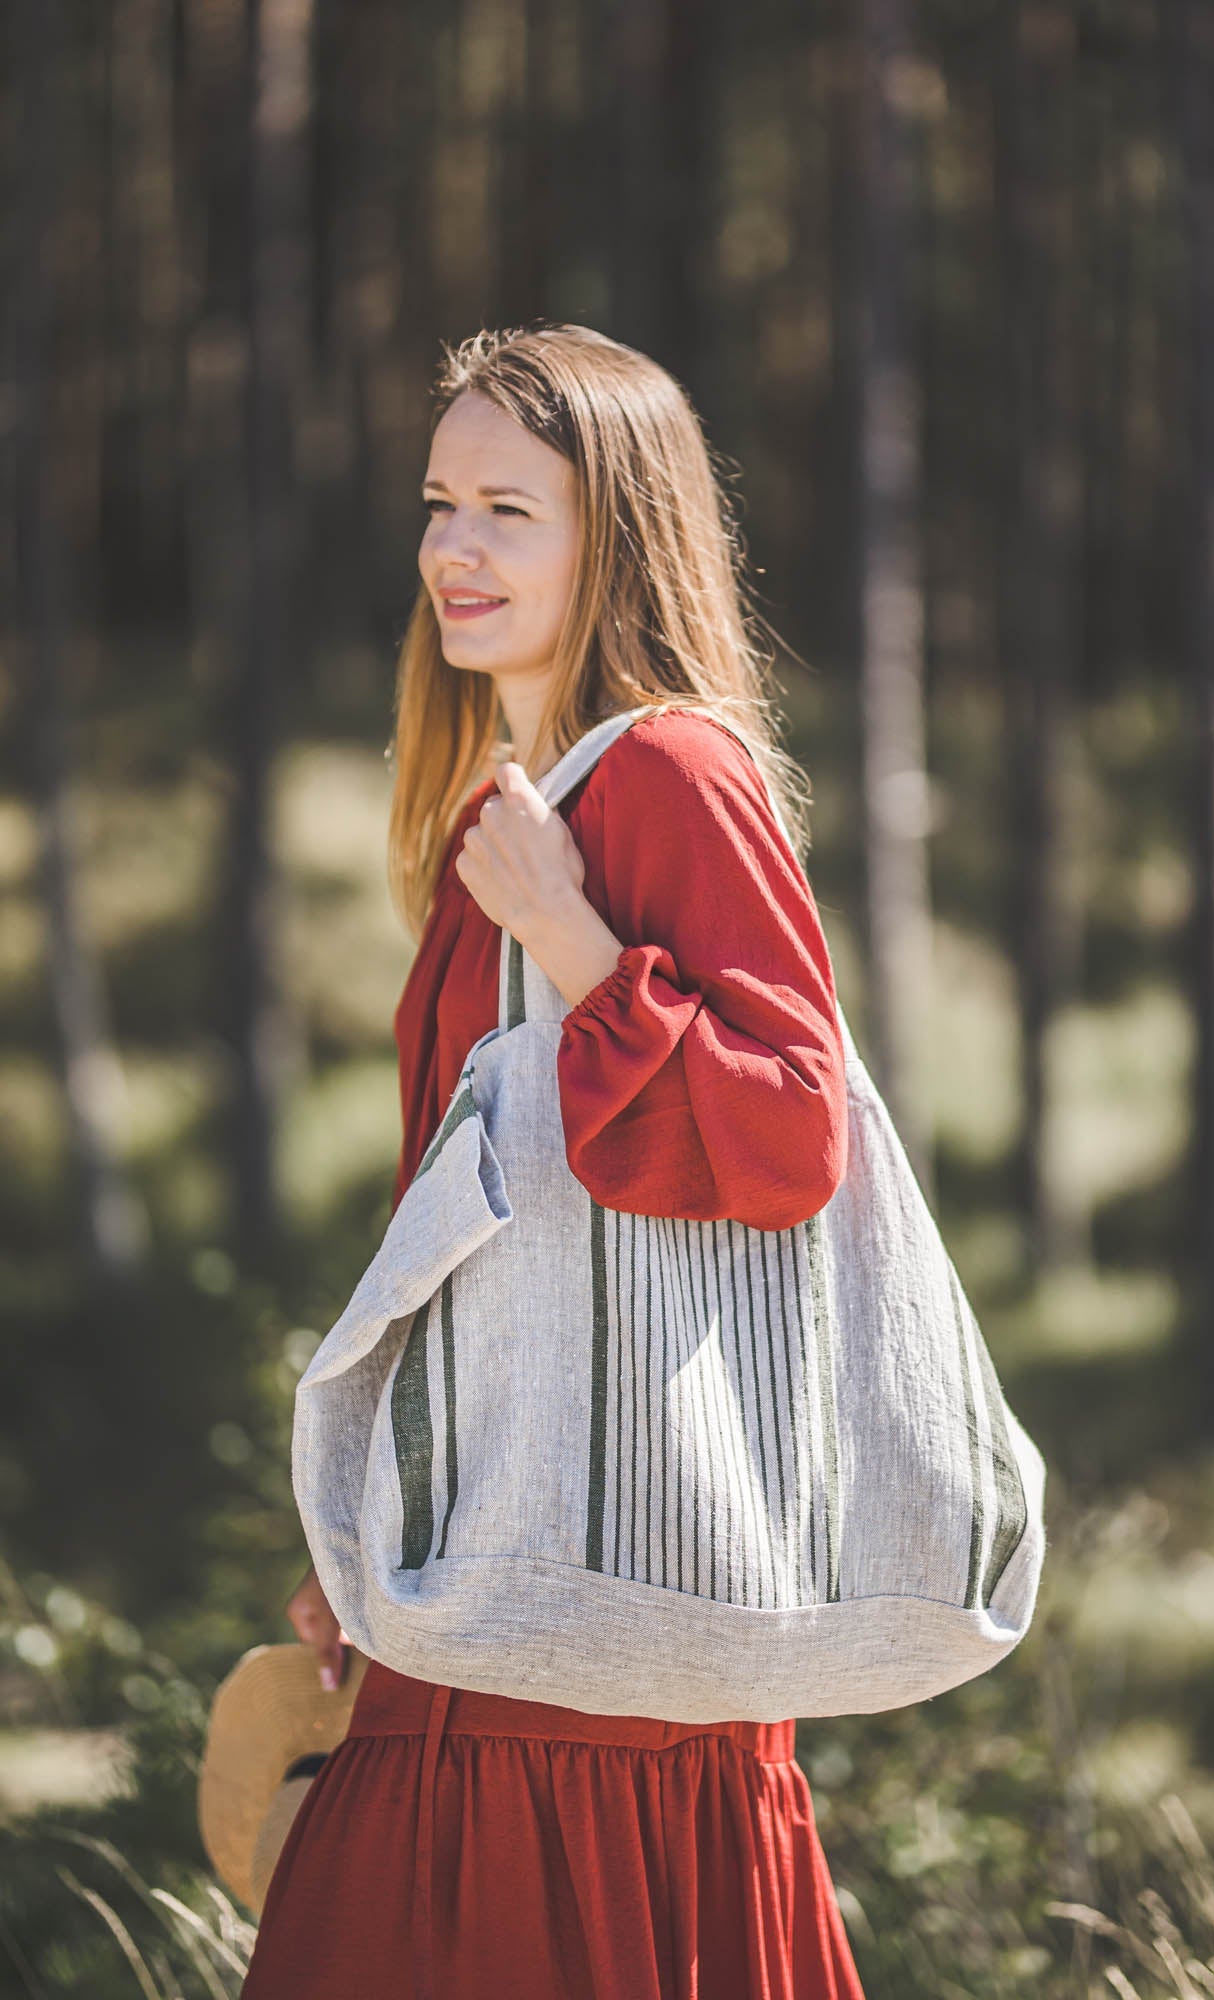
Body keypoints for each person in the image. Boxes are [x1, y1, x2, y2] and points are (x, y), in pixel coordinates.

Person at [239, 323, 867, 1999]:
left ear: (616, 532)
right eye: (441, 503)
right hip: (503, 1561)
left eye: (508, 509)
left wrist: (581, 945)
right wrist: (380, 1516)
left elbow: (795, 1130)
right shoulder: (503, 818)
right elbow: (459, 1233)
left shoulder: (665, 774)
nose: (453, 548)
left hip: (605, 1597)